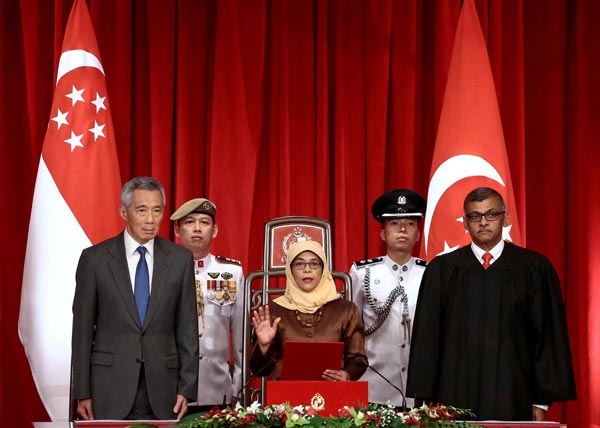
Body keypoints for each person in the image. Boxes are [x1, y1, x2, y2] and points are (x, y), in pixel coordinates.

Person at [406, 187, 576, 420]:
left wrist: (541, 401)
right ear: (465, 222)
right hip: (453, 394)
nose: (483, 222)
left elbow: (546, 336)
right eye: (475, 216)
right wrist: (424, 400)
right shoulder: (442, 269)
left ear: (505, 218)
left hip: (514, 393)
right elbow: (428, 337)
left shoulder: (534, 268)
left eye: (491, 214)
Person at [71, 177, 199, 420]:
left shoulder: (180, 259)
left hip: (164, 390)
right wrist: (82, 392)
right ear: (124, 212)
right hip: (108, 389)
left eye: (157, 210)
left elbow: (188, 329)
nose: (150, 219)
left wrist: (187, 387)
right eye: (142, 210)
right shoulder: (94, 260)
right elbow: (82, 331)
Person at [349, 189, 427, 408]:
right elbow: (349, 327)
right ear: (382, 233)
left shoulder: (430, 273)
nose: (402, 229)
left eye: (410, 224)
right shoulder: (363, 273)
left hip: (418, 389)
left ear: (418, 234)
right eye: (394, 223)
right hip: (374, 387)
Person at [251, 240, 368, 381]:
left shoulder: (345, 310)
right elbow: (258, 370)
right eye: (300, 264)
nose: (307, 269)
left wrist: (348, 374)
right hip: (285, 399)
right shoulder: (273, 311)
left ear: (323, 269)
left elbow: (358, 359)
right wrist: (263, 346)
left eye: (314, 263)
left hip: (333, 396)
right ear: (290, 269)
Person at [170, 198, 245, 410]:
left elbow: (239, 339)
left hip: (216, 388)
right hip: (170, 388)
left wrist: (237, 389)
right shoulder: (161, 272)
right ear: (177, 230)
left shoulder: (231, 273)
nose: (197, 228)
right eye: (189, 222)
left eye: (204, 222)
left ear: (215, 230)